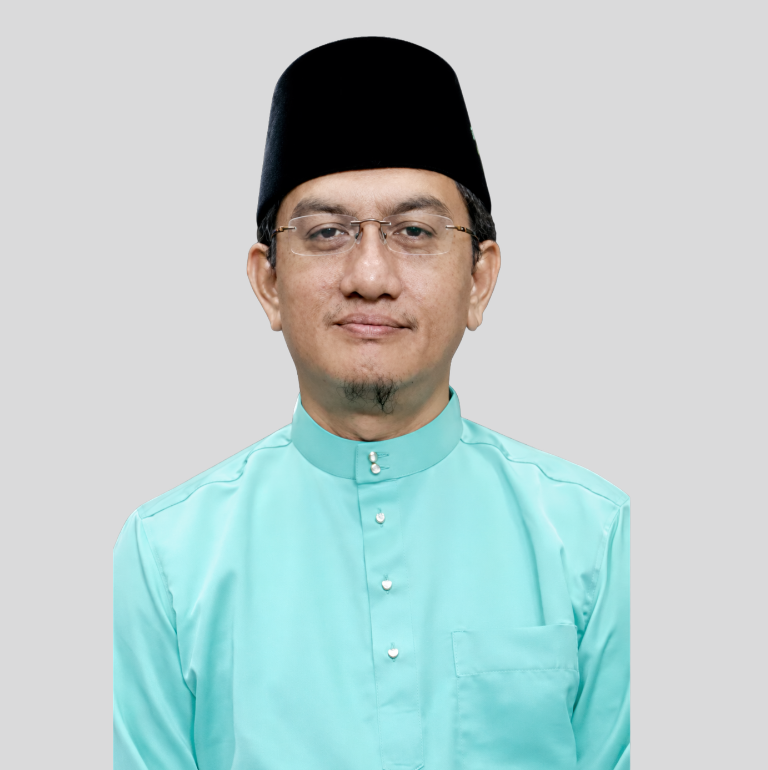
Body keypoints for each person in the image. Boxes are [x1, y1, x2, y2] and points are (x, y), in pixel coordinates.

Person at [113, 37, 630, 770]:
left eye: (414, 232)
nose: (370, 275)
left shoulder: (596, 542)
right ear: (268, 283)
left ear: (479, 279)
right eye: (327, 233)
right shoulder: (167, 559)